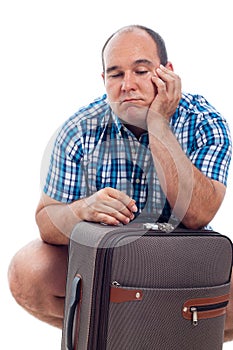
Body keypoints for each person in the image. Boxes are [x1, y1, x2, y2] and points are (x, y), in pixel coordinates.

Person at [8, 24, 233, 341]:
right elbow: (46, 222)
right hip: (107, 269)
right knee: (27, 270)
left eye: (141, 71)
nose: (127, 85)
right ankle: (112, 334)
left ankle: (160, 337)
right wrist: (81, 209)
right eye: (115, 75)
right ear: (104, 81)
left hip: (182, 268)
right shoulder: (80, 129)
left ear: (167, 73)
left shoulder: (204, 121)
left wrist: (158, 123)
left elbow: (199, 213)